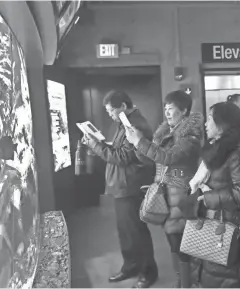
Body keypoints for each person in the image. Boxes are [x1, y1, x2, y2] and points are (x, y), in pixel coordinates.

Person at [125, 90, 204, 288]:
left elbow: (168, 158)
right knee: (174, 243)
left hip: (183, 196)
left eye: (171, 109)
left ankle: (186, 284)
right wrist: (137, 143)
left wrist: (141, 143)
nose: (167, 113)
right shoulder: (165, 133)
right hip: (167, 195)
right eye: (166, 109)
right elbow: (150, 158)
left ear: (184, 111)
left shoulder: (191, 136)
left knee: (183, 246)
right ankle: (182, 282)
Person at [82, 91, 157, 285]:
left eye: (111, 111)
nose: (110, 115)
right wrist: (98, 143)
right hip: (122, 186)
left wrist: (96, 146)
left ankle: (149, 272)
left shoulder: (135, 125)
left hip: (130, 186)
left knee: (136, 231)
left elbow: (123, 157)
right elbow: (119, 150)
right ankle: (131, 267)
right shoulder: (124, 122)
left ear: (123, 106)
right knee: (126, 232)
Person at [184, 101, 240, 288]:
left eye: (210, 119)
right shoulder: (215, 151)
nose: (205, 124)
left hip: (231, 232)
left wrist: (211, 198)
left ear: (223, 124)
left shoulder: (236, 154)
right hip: (214, 226)